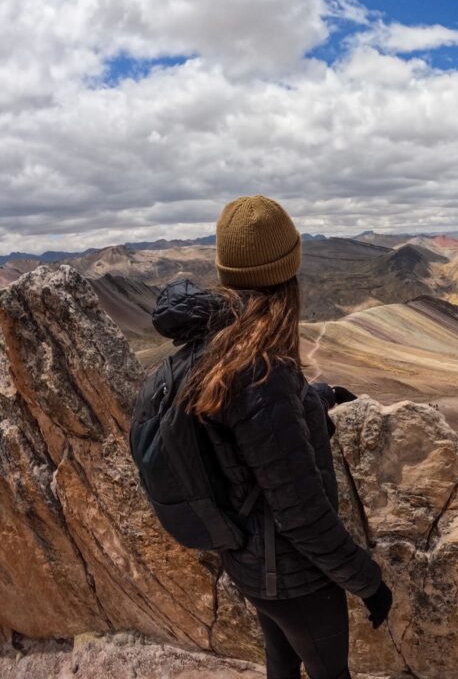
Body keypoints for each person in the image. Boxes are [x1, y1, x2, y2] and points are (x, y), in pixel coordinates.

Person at [157, 195, 391, 679]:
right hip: (294, 578)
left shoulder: (215, 342)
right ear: (287, 273)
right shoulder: (262, 372)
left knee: (280, 667)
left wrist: (314, 398)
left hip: (249, 563)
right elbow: (303, 516)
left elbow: (249, 431)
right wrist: (369, 583)